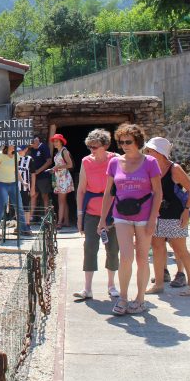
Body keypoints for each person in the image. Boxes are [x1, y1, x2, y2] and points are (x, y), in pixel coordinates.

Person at [98, 123, 162, 315]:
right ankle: (123, 298)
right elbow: (109, 193)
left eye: (129, 142)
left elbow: (158, 193)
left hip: (144, 216)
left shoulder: (150, 162)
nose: (125, 145)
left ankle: (140, 298)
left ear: (138, 142)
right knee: (126, 257)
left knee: (143, 258)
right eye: (121, 142)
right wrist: (102, 219)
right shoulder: (114, 163)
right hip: (121, 215)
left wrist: (153, 219)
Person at [142, 137, 190, 296]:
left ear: (160, 153)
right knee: (157, 248)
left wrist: (187, 210)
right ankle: (159, 284)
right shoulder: (149, 168)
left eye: (151, 150)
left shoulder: (175, 169)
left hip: (175, 214)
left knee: (180, 249)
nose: (148, 153)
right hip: (156, 214)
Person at [74, 129, 119, 300]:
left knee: (113, 249)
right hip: (92, 212)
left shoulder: (115, 159)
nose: (92, 150)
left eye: (95, 146)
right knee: (89, 248)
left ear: (105, 145)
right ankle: (87, 288)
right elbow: (81, 190)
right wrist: (79, 216)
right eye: (90, 146)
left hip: (112, 213)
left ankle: (111, 285)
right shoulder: (86, 161)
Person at [0, 144, 33, 238]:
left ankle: (23, 229)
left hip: (13, 184)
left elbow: (16, 170)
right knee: (2, 208)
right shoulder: (0, 155)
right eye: (13, 146)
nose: (14, 148)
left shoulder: (16, 156)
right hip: (1, 184)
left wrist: (22, 182)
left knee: (19, 207)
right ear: (7, 146)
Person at [50, 133, 74, 229]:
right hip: (60, 177)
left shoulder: (64, 151)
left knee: (61, 201)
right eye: (54, 141)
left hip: (64, 178)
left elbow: (70, 165)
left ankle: (59, 222)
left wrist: (58, 167)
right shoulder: (58, 152)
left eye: (56, 141)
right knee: (63, 201)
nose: (55, 143)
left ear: (61, 142)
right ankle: (66, 221)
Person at [28, 136, 53, 221]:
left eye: (32, 144)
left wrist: (39, 171)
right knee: (33, 195)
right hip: (34, 177)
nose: (30, 146)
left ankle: (46, 217)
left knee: (45, 196)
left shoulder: (44, 147)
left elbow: (49, 161)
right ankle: (31, 216)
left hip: (43, 177)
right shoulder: (32, 149)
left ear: (37, 141)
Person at [17, 145, 33, 227]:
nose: (19, 152)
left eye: (21, 150)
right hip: (15, 187)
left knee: (26, 205)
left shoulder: (29, 159)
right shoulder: (14, 158)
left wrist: (32, 188)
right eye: (18, 150)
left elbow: (33, 174)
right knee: (16, 206)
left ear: (26, 149)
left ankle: (27, 225)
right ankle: (18, 225)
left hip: (25, 187)